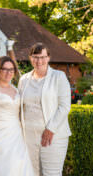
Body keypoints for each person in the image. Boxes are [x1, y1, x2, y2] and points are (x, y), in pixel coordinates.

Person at [18, 43, 72, 176]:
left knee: (51, 173)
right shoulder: (24, 80)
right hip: (29, 137)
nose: (39, 61)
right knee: (32, 173)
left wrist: (50, 129)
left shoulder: (59, 77)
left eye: (42, 57)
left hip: (53, 135)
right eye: (35, 57)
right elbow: (19, 107)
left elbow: (64, 106)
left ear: (48, 58)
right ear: (30, 58)